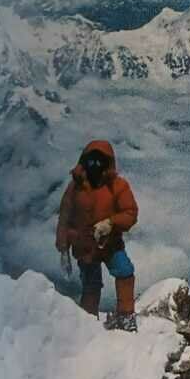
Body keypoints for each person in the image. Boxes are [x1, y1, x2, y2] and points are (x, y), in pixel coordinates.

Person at [55, 139, 139, 332]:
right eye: (91, 161)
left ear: (108, 163)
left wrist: (111, 223)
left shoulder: (118, 186)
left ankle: (125, 317)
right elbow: (64, 218)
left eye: (100, 161)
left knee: (125, 272)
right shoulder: (74, 188)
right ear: (84, 161)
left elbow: (130, 213)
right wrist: (63, 249)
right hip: (84, 246)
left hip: (110, 244)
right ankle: (87, 323)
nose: (95, 165)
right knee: (91, 285)